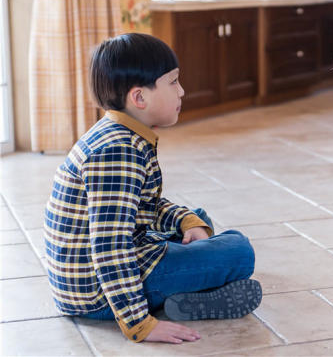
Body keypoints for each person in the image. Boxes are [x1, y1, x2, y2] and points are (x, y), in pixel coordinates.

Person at [43, 33, 261, 344]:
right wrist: (139, 325)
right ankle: (177, 299)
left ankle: (191, 288)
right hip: (97, 295)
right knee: (239, 252)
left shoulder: (117, 132)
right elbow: (110, 247)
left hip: (97, 276)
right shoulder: (118, 152)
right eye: (173, 82)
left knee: (197, 218)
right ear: (139, 98)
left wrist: (187, 221)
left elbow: (144, 205)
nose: (182, 91)